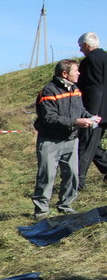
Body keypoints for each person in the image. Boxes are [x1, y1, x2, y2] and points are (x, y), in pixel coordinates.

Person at [32, 59, 98, 219]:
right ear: (65, 73)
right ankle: (41, 211)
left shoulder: (75, 89)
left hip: (71, 140)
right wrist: (77, 122)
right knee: (46, 176)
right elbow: (50, 118)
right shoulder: (48, 91)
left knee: (72, 174)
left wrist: (90, 117)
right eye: (76, 70)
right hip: (50, 141)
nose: (79, 73)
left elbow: (79, 109)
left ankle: (65, 206)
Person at [76, 32, 107, 190]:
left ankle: (77, 182)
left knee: (84, 146)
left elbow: (92, 88)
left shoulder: (89, 61)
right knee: (93, 146)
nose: (80, 50)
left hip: (96, 111)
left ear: (87, 45)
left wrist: (89, 114)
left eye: (81, 46)